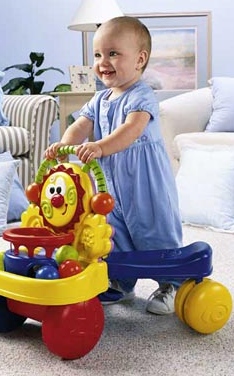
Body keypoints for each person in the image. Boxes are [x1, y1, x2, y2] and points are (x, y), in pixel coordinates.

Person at [45, 16, 183, 315]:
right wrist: (63, 146)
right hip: (109, 184)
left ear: (140, 60)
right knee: (112, 233)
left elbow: (131, 130)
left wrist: (99, 146)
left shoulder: (142, 95)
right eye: (97, 54)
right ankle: (121, 282)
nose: (102, 62)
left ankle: (171, 283)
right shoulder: (100, 99)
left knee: (154, 232)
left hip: (145, 184)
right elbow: (80, 125)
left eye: (113, 53)